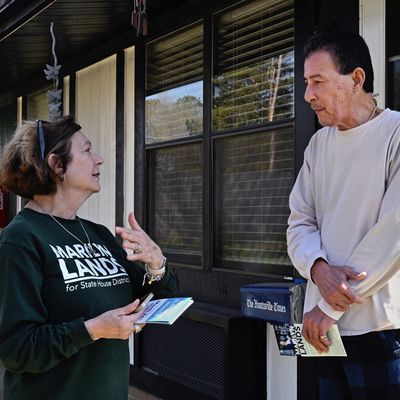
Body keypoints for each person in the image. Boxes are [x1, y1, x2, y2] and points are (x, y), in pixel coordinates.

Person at [0, 116, 177, 400]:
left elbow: (151, 299)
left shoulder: (98, 234)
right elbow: (16, 349)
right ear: (57, 165)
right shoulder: (20, 240)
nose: (99, 159)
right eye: (87, 150)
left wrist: (157, 264)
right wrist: (92, 329)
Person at [287, 31, 400, 399]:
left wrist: (330, 306)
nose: (308, 95)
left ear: (356, 79)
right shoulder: (319, 144)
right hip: (320, 326)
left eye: (317, 82)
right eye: (307, 83)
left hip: (380, 326)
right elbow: (299, 221)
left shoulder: (395, 133)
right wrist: (317, 267)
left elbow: (393, 232)